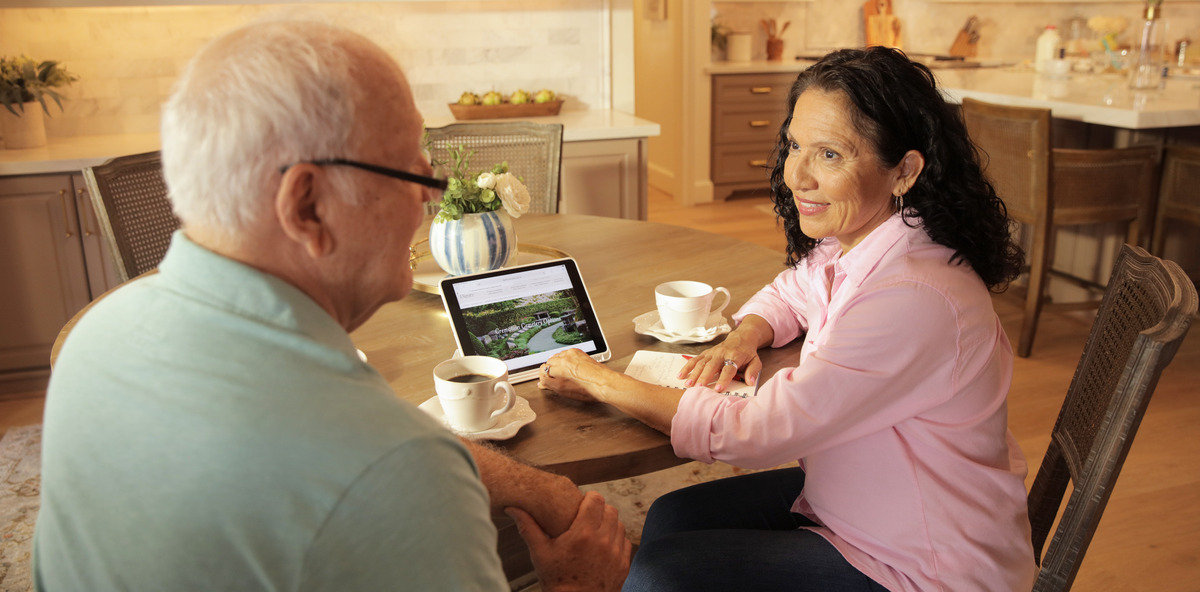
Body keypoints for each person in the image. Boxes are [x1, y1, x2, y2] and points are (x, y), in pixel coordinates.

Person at [34, 18, 629, 591]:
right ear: (308, 207)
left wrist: (537, 487)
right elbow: (384, 467)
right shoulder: (397, 481)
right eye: (408, 168)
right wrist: (579, 582)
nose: (430, 193)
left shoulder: (94, 337)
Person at [538, 47, 1036, 592]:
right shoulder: (876, 238)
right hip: (860, 498)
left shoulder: (914, 296)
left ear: (905, 171)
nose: (797, 174)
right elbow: (795, 289)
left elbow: (752, 433)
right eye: (796, 145)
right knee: (672, 519)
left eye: (830, 154)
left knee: (661, 574)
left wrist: (600, 379)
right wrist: (747, 333)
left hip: (922, 564)